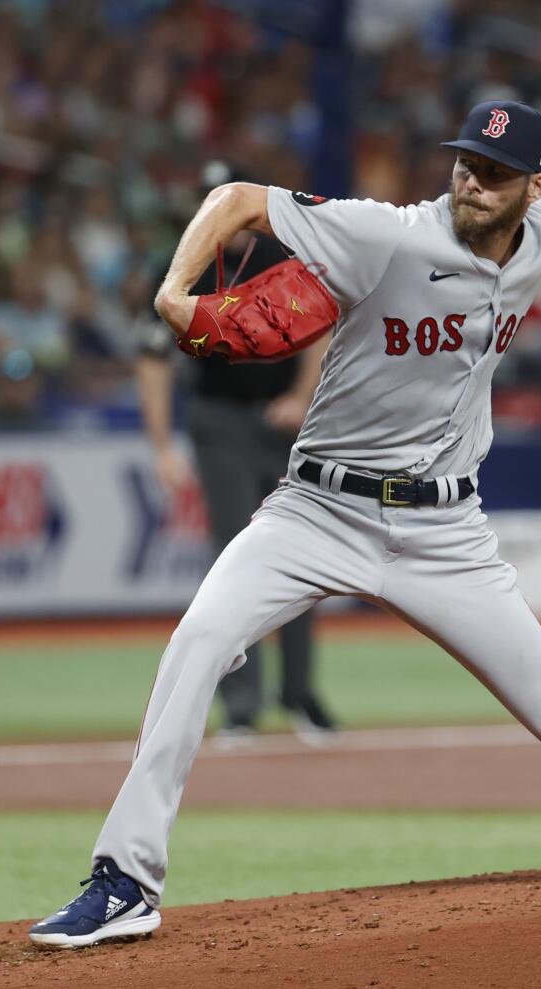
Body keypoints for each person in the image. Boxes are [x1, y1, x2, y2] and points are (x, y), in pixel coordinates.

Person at [29, 101, 541, 950]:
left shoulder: (539, 223)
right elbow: (237, 199)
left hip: (446, 532)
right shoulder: (384, 234)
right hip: (318, 508)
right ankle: (126, 879)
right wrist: (174, 289)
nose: (470, 179)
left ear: (526, 190)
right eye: (465, 161)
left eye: (494, 171)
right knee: (199, 640)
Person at [134, 217, 336, 741]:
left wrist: (300, 395)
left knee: (303, 559)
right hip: (219, 421)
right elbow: (152, 359)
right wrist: (160, 446)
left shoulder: (282, 254)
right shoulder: (184, 263)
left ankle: (300, 696)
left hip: (283, 424)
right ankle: (241, 706)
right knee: (234, 563)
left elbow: (323, 327)